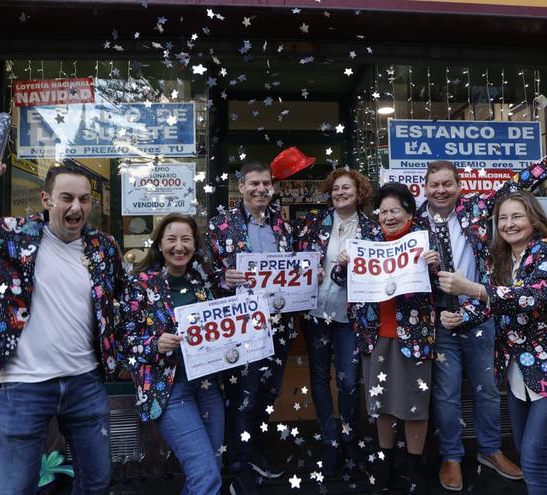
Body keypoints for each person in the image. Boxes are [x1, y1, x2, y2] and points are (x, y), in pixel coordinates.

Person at [0, 151, 124, 494]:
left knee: (96, 483)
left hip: (84, 383)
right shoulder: (10, 234)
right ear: (46, 199)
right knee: (12, 488)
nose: (76, 207)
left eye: (84, 199)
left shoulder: (103, 247)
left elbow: (122, 299)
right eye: (66, 198)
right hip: (24, 385)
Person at [416, 117, 547, 491]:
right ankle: (451, 456)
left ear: (460, 187)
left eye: (448, 183)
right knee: (446, 394)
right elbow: (387, 262)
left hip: (488, 313)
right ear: (424, 188)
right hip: (443, 316)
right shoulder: (412, 224)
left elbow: (522, 182)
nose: (441, 190)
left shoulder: (483, 210)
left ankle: (491, 449)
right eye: (434, 185)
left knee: (486, 388)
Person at [439, 190, 547, 495]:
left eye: (517, 216)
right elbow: (492, 305)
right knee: (540, 460)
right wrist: (463, 318)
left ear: (534, 219)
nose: (509, 224)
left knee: (536, 464)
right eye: (503, 218)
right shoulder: (500, 258)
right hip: (518, 377)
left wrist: (472, 289)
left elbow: (534, 295)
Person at [333, 183, 442, 494]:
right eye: (384, 211)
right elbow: (340, 280)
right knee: (381, 403)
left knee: (415, 404)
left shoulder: (424, 242)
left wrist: (434, 266)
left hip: (415, 336)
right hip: (375, 335)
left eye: (396, 210)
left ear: (409, 212)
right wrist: (343, 264)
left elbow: (445, 283)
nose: (389, 216)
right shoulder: (367, 243)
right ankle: (385, 462)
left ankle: (413, 465)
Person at [205, 161, 297, 495]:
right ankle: (240, 468)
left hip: (278, 326)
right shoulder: (220, 226)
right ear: (240, 186)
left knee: (268, 393)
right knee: (242, 396)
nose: (260, 189)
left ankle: (252, 448)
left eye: (266, 184)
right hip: (240, 328)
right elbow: (204, 274)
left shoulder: (283, 228)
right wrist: (221, 278)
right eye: (254, 184)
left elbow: (293, 272)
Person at [120, 213, 224, 495]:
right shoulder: (139, 284)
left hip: (208, 387)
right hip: (170, 392)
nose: (179, 246)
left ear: (195, 245)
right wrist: (155, 344)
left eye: (186, 239)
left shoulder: (203, 283)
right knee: (206, 476)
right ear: (159, 245)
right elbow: (124, 343)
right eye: (172, 239)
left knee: (206, 472)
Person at [295, 169, 378, 475]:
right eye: (336, 189)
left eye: (348, 188)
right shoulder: (313, 223)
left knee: (348, 380)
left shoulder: (372, 229)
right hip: (316, 312)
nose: (341, 193)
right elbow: (295, 260)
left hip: (350, 317)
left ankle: (348, 435)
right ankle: (329, 439)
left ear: (359, 193)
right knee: (318, 376)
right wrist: (307, 271)